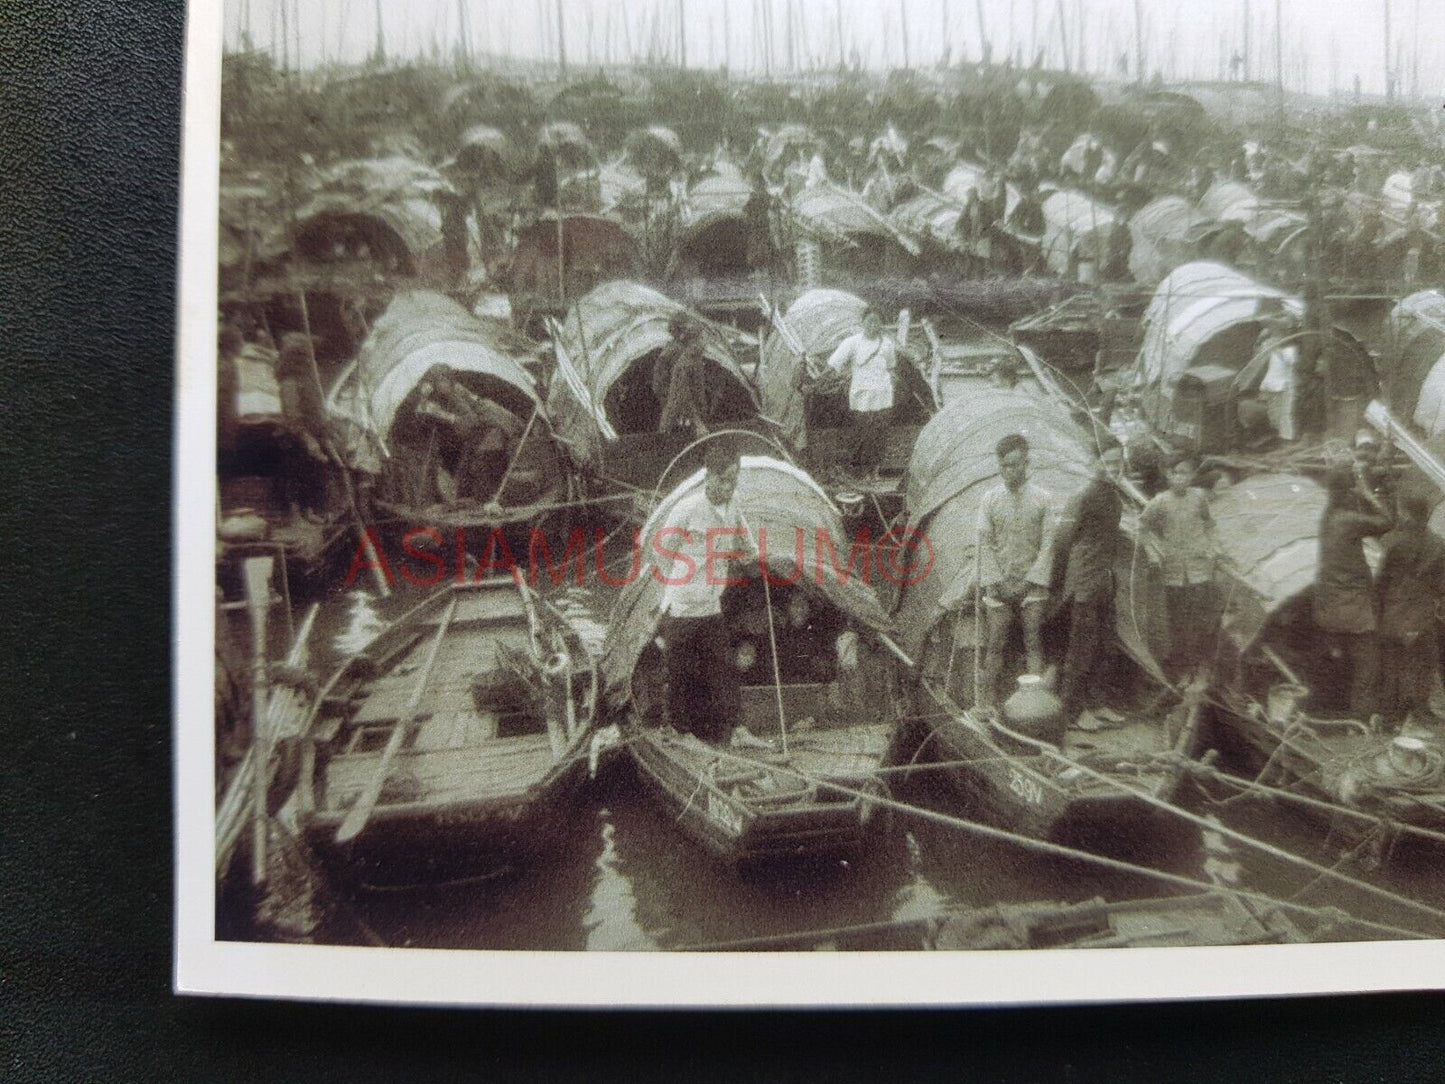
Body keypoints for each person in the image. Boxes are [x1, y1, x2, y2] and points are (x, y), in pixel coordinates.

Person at [655, 439, 767, 747]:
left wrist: (753, 556)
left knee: (724, 667)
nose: (727, 487)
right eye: (722, 480)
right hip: (684, 604)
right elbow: (662, 551)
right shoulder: (688, 509)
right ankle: (679, 732)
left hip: (711, 603)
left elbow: (742, 535)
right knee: (680, 671)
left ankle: (738, 731)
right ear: (708, 476)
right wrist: (678, 582)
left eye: (732, 480)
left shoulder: (733, 504)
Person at [975, 433, 1057, 711]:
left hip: (1031, 587)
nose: (1008, 472)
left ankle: (1035, 704)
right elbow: (984, 543)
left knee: (1033, 641)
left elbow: (1049, 544)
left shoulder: (1044, 499)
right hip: (998, 585)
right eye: (1003, 466)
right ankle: (987, 703)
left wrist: (1030, 581)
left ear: (1026, 463)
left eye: (1013, 465)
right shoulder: (989, 499)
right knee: (995, 642)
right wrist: (995, 581)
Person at [1313, 467, 1393, 720]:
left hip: (1330, 605)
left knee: (1338, 661)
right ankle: (1358, 721)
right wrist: (1368, 492)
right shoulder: (1348, 520)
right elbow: (1388, 521)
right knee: (1367, 668)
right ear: (1348, 491)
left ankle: (1331, 713)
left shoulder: (1327, 518)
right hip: (1355, 609)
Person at [1056, 445, 1125, 723]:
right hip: (1084, 581)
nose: (1114, 468)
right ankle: (1072, 711)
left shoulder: (1115, 497)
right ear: (1094, 461)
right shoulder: (1083, 496)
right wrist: (1071, 579)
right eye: (1108, 462)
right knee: (1081, 648)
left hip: (1104, 581)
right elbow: (1063, 540)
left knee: (1106, 645)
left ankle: (1096, 702)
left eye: (1119, 463)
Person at [1140, 456, 1222, 680]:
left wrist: (1213, 547)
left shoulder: (1199, 498)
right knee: (1177, 620)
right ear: (1167, 475)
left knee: (1199, 617)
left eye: (1184, 473)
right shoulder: (1160, 501)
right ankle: (1178, 668)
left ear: (1192, 476)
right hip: (1173, 571)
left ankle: (1199, 666)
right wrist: (1153, 553)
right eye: (1174, 473)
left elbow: (1210, 524)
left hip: (1198, 569)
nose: (1179, 478)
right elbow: (1143, 528)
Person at [1376, 490, 1445, 728]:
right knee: (1423, 664)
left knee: (1392, 663)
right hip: (1422, 613)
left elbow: (1378, 580)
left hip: (1393, 611)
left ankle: (1391, 715)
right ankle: (1421, 711)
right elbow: (1441, 584)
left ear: (1405, 512)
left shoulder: (1390, 541)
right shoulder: (1438, 544)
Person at [823, 309, 897, 481]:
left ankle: (875, 470)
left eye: (877, 322)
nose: (873, 325)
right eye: (870, 321)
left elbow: (891, 367)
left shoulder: (887, 343)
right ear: (862, 323)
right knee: (862, 434)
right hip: (862, 395)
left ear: (881, 324)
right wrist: (819, 380)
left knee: (880, 434)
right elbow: (834, 363)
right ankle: (861, 472)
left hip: (883, 395)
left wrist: (892, 384)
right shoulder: (852, 342)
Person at [652, 315, 714, 436]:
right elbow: (681, 391)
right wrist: (698, 423)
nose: (704, 343)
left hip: (681, 415)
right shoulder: (681, 357)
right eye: (701, 338)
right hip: (682, 418)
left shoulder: (684, 354)